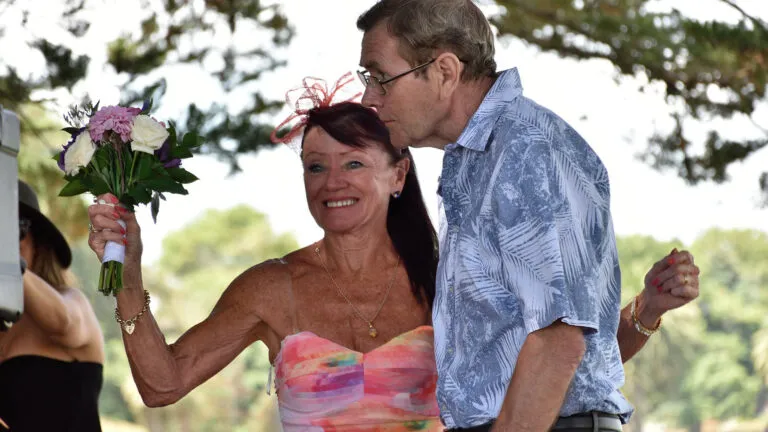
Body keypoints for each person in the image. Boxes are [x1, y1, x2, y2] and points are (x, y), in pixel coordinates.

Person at [355, 1, 700, 430]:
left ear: (444, 72)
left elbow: (559, 340)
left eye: (380, 77)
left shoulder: (525, 152)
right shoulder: (480, 155)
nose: (368, 97)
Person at [87, 91, 446, 431]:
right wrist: (128, 278)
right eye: (316, 167)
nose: (333, 182)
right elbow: (162, 386)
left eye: (353, 163)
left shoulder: (443, 277)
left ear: (398, 175)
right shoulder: (272, 287)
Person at [0, 180, 104, 432]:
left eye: (14, 230)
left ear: (39, 243)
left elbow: (63, 322)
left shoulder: (72, 300)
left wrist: (9, 264)